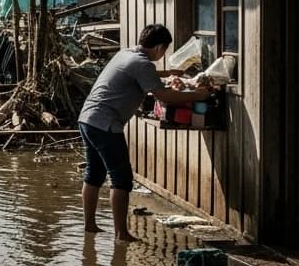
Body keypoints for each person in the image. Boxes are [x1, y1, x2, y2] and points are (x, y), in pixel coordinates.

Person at [78, 24, 210, 242]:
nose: (164, 54)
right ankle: (121, 233)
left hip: (88, 119)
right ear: (159, 47)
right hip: (106, 124)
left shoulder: (127, 54)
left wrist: (169, 74)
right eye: (165, 50)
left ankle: (90, 226)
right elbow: (165, 97)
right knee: (122, 179)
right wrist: (198, 95)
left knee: (94, 174)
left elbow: (144, 76)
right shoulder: (142, 64)